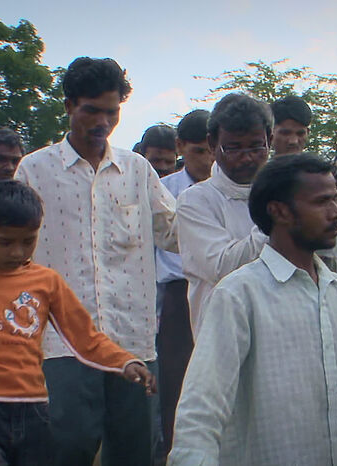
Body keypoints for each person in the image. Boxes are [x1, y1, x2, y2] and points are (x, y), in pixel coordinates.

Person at [15, 56, 178, 466]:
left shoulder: (138, 170)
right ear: (69, 106)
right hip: (61, 342)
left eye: (112, 111)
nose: (102, 121)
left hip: (132, 339)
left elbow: (174, 234)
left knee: (134, 450)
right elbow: (12, 253)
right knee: (67, 448)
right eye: (92, 110)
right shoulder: (34, 170)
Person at [170, 154, 337, 465]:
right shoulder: (238, 295)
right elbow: (202, 408)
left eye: (335, 200)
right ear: (279, 211)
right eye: (322, 202)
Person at [0, 180, 155, 466]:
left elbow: (85, 337)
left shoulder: (46, 282)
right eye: (5, 241)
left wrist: (124, 361)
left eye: (28, 241)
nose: (17, 252)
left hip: (34, 411)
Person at [175, 93, 271, 335]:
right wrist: (276, 221)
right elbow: (222, 267)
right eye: (233, 148)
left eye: (256, 146)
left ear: (269, 140)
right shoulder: (195, 201)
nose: (247, 157)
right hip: (222, 334)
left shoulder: (286, 191)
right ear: (211, 144)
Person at [154, 109, 212, 455]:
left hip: (223, 287)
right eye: (198, 152)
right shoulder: (163, 190)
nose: (207, 160)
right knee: (176, 381)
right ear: (180, 147)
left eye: (212, 150)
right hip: (177, 295)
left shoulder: (234, 188)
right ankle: (173, 453)